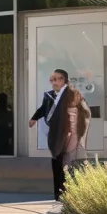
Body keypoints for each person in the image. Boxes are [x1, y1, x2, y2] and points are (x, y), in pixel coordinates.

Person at [30, 69, 74, 201]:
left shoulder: (71, 95)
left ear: (64, 80)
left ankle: (68, 191)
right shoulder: (48, 95)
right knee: (56, 161)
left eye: (56, 79)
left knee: (67, 161)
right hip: (54, 133)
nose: (53, 82)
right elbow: (43, 109)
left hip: (68, 133)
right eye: (52, 80)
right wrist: (34, 118)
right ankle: (59, 193)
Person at [49, 84, 91, 199]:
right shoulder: (84, 111)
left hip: (68, 149)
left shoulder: (68, 112)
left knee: (66, 176)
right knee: (80, 174)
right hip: (81, 149)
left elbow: (68, 132)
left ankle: (66, 197)